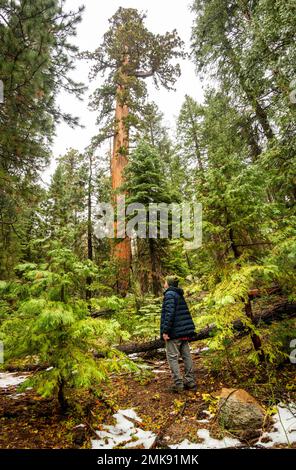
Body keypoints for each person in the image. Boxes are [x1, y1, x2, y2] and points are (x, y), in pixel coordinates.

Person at [160, 275, 197, 393]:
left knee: (172, 358)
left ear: (169, 284)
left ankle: (179, 385)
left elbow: (169, 314)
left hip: (174, 333)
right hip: (183, 332)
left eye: (165, 282)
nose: (164, 283)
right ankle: (190, 382)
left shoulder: (170, 295)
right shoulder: (178, 294)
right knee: (186, 356)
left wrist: (165, 331)